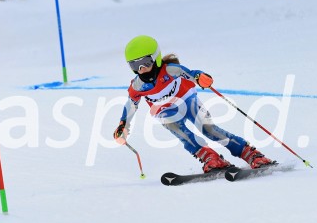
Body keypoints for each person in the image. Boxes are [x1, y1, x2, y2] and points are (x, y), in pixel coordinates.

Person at [114, 35, 275, 173]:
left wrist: (201, 78)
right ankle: (211, 158)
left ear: (156, 58)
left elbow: (191, 74)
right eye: (135, 66)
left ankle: (250, 154)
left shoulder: (170, 70)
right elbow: (131, 106)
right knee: (182, 134)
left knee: (209, 129)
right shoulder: (137, 86)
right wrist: (123, 126)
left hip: (187, 101)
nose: (142, 69)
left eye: (146, 63)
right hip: (165, 112)